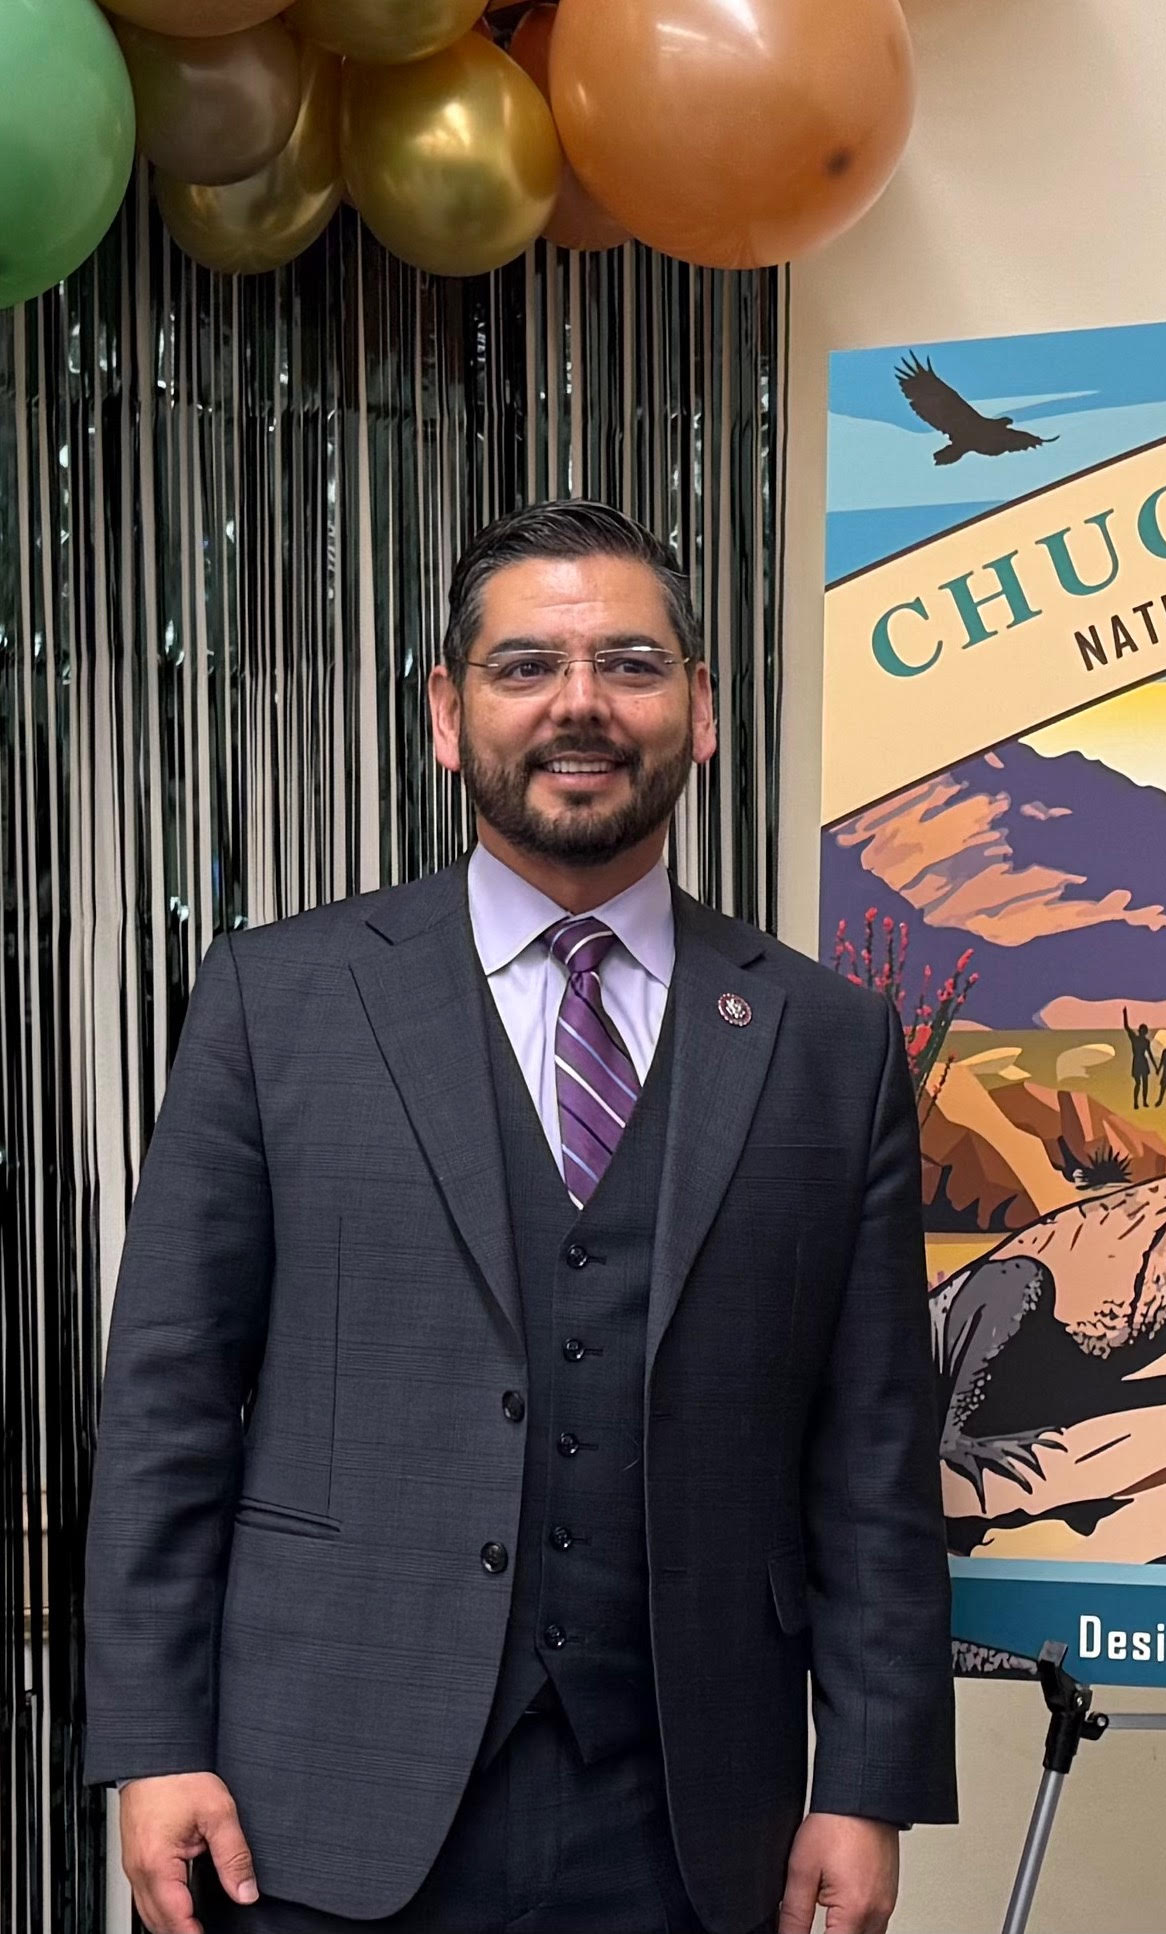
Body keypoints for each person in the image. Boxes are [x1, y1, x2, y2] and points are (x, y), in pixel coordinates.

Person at [85, 501, 956, 1934]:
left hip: (690, 1825)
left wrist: (864, 1783)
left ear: (701, 710)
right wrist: (154, 1740)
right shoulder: (280, 999)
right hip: (316, 1798)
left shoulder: (826, 1037)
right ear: (447, 710)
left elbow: (871, 1451)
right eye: (524, 666)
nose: (579, 705)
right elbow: (169, 1397)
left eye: (629, 663)